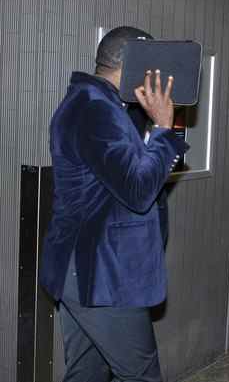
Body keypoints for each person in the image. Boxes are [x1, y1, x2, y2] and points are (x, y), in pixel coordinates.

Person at [39, 26, 190, 382]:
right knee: (141, 376)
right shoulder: (96, 110)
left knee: (87, 373)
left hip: (84, 272)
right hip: (101, 275)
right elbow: (138, 192)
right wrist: (165, 128)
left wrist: (153, 130)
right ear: (133, 63)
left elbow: (127, 175)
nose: (158, 76)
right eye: (151, 65)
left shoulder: (97, 104)